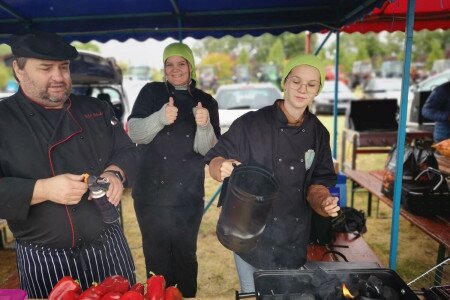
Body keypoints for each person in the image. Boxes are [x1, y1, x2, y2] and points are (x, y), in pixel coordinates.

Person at [0, 31, 139, 298]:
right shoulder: (4, 120)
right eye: (45, 68)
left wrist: (115, 174)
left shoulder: (97, 109)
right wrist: (42, 190)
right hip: (44, 259)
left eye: (63, 67)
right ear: (18, 69)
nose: (59, 77)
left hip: (109, 247)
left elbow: (128, 152)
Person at [205, 54, 340, 293]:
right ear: (285, 82)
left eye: (311, 84)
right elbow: (216, 158)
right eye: (296, 81)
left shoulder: (319, 133)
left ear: (318, 90)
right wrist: (220, 166)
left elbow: (318, 184)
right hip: (249, 236)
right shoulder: (251, 124)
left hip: (292, 237)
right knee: (252, 293)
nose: (302, 89)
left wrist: (324, 202)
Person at [127, 42, 220, 297]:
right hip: (149, 195)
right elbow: (135, 133)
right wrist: (160, 118)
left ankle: (186, 295)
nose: (175, 69)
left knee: (185, 255)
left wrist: (204, 126)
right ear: (163, 68)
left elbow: (206, 151)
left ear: (191, 66)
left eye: (181, 63)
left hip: (187, 197)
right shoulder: (150, 92)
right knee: (155, 257)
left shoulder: (206, 101)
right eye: (169, 64)